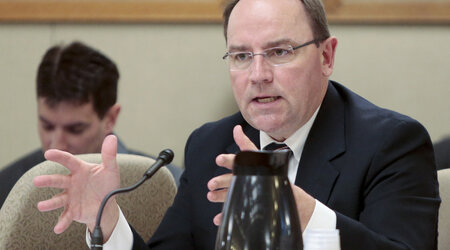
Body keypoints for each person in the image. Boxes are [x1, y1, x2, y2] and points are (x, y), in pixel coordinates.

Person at [34, 0, 440, 249]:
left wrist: (300, 212)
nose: (258, 74)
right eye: (241, 56)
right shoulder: (210, 144)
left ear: (326, 57)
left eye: (279, 51)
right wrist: (108, 222)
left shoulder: (392, 143)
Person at [0, 41, 182, 209]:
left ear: (110, 118)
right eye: (47, 126)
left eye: (75, 129)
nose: (56, 145)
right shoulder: (9, 186)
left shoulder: (167, 187)